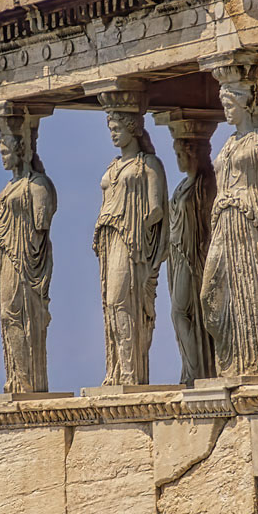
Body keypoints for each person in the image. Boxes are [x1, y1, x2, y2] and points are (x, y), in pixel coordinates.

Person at [201, 78, 258, 377]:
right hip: (225, 220)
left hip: (249, 220)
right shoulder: (227, 144)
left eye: (229, 105)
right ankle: (230, 361)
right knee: (210, 296)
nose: (225, 111)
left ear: (245, 104)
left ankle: (257, 363)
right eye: (223, 105)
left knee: (253, 291)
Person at [93, 109, 168, 385]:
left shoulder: (148, 165)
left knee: (119, 299)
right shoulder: (113, 166)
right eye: (110, 128)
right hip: (109, 239)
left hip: (132, 240)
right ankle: (116, 370)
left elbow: (156, 209)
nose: (113, 132)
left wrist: (135, 226)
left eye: (117, 127)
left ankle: (130, 372)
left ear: (133, 128)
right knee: (109, 304)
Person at [0, 120, 57, 392]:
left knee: (17, 313)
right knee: (7, 316)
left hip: (25, 258)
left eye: (6, 152)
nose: (3, 157)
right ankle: (17, 377)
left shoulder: (37, 185)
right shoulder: (9, 187)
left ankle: (27, 380)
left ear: (21, 150)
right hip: (7, 256)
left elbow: (41, 223)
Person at [167, 135, 216, 384]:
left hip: (194, 256)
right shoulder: (182, 185)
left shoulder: (206, 185)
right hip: (177, 255)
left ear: (193, 153)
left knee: (180, 312)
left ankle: (197, 371)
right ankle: (190, 369)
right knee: (179, 313)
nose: (178, 160)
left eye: (180, 154)